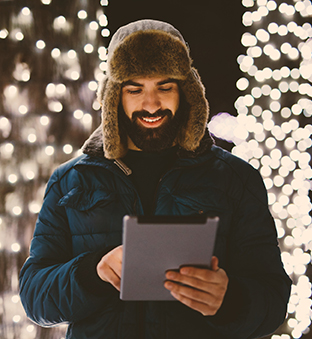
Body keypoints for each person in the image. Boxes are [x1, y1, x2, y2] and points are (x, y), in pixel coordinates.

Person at [19, 19, 292, 339]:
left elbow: (273, 298)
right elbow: (34, 295)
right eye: (134, 89)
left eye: (164, 87)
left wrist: (229, 300)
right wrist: (93, 273)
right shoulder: (70, 181)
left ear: (186, 92)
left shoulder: (235, 178)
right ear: (114, 99)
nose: (150, 104)